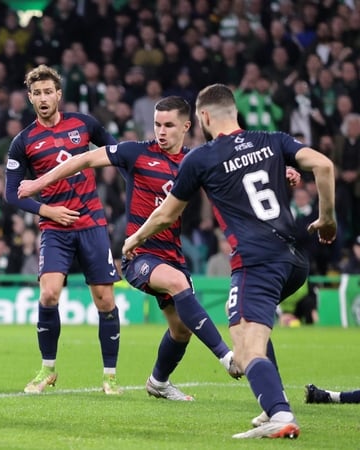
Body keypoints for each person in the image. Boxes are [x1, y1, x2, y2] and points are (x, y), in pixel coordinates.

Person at [122, 83, 336, 439]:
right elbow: (325, 166)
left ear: (203, 117)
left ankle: (280, 415)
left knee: (244, 344)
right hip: (295, 260)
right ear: (234, 111)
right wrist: (327, 218)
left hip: (256, 260)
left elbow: (164, 216)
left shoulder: (201, 158)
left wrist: (134, 238)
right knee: (257, 329)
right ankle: (274, 403)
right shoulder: (272, 141)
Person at [18, 96, 241, 402]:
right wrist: (37, 183)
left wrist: (283, 174)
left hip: (173, 255)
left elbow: (236, 175)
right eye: (157, 124)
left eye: (169, 125)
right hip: (139, 255)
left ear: (187, 126)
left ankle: (159, 382)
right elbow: (81, 159)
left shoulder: (195, 162)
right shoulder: (135, 152)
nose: (161, 131)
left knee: (181, 330)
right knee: (176, 284)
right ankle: (228, 358)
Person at [3, 64, 122, 395]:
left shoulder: (84, 125)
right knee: (49, 293)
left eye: (48, 92)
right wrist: (48, 210)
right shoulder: (23, 141)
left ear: (59, 94)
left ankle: (110, 377)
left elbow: (116, 153)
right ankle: (47, 370)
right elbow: (12, 193)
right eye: (36, 93)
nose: (43, 98)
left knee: (105, 300)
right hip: (54, 228)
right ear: (30, 98)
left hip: (92, 223)